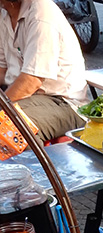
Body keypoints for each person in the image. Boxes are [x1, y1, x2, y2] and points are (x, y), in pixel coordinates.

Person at [0, 0, 88, 141]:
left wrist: (2, 106)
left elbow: (31, 81)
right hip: (30, 98)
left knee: (10, 130)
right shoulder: (5, 14)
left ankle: (32, 163)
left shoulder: (41, 13)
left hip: (62, 102)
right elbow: (2, 69)